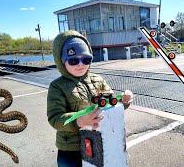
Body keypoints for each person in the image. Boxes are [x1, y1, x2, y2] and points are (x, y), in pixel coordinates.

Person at [47, 30, 133, 167]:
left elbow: (110, 102)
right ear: (62, 61)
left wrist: (124, 101)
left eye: (86, 59)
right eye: (74, 60)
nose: (81, 64)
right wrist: (79, 120)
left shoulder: (97, 79)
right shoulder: (57, 86)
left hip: (97, 140)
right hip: (71, 149)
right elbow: (55, 118)